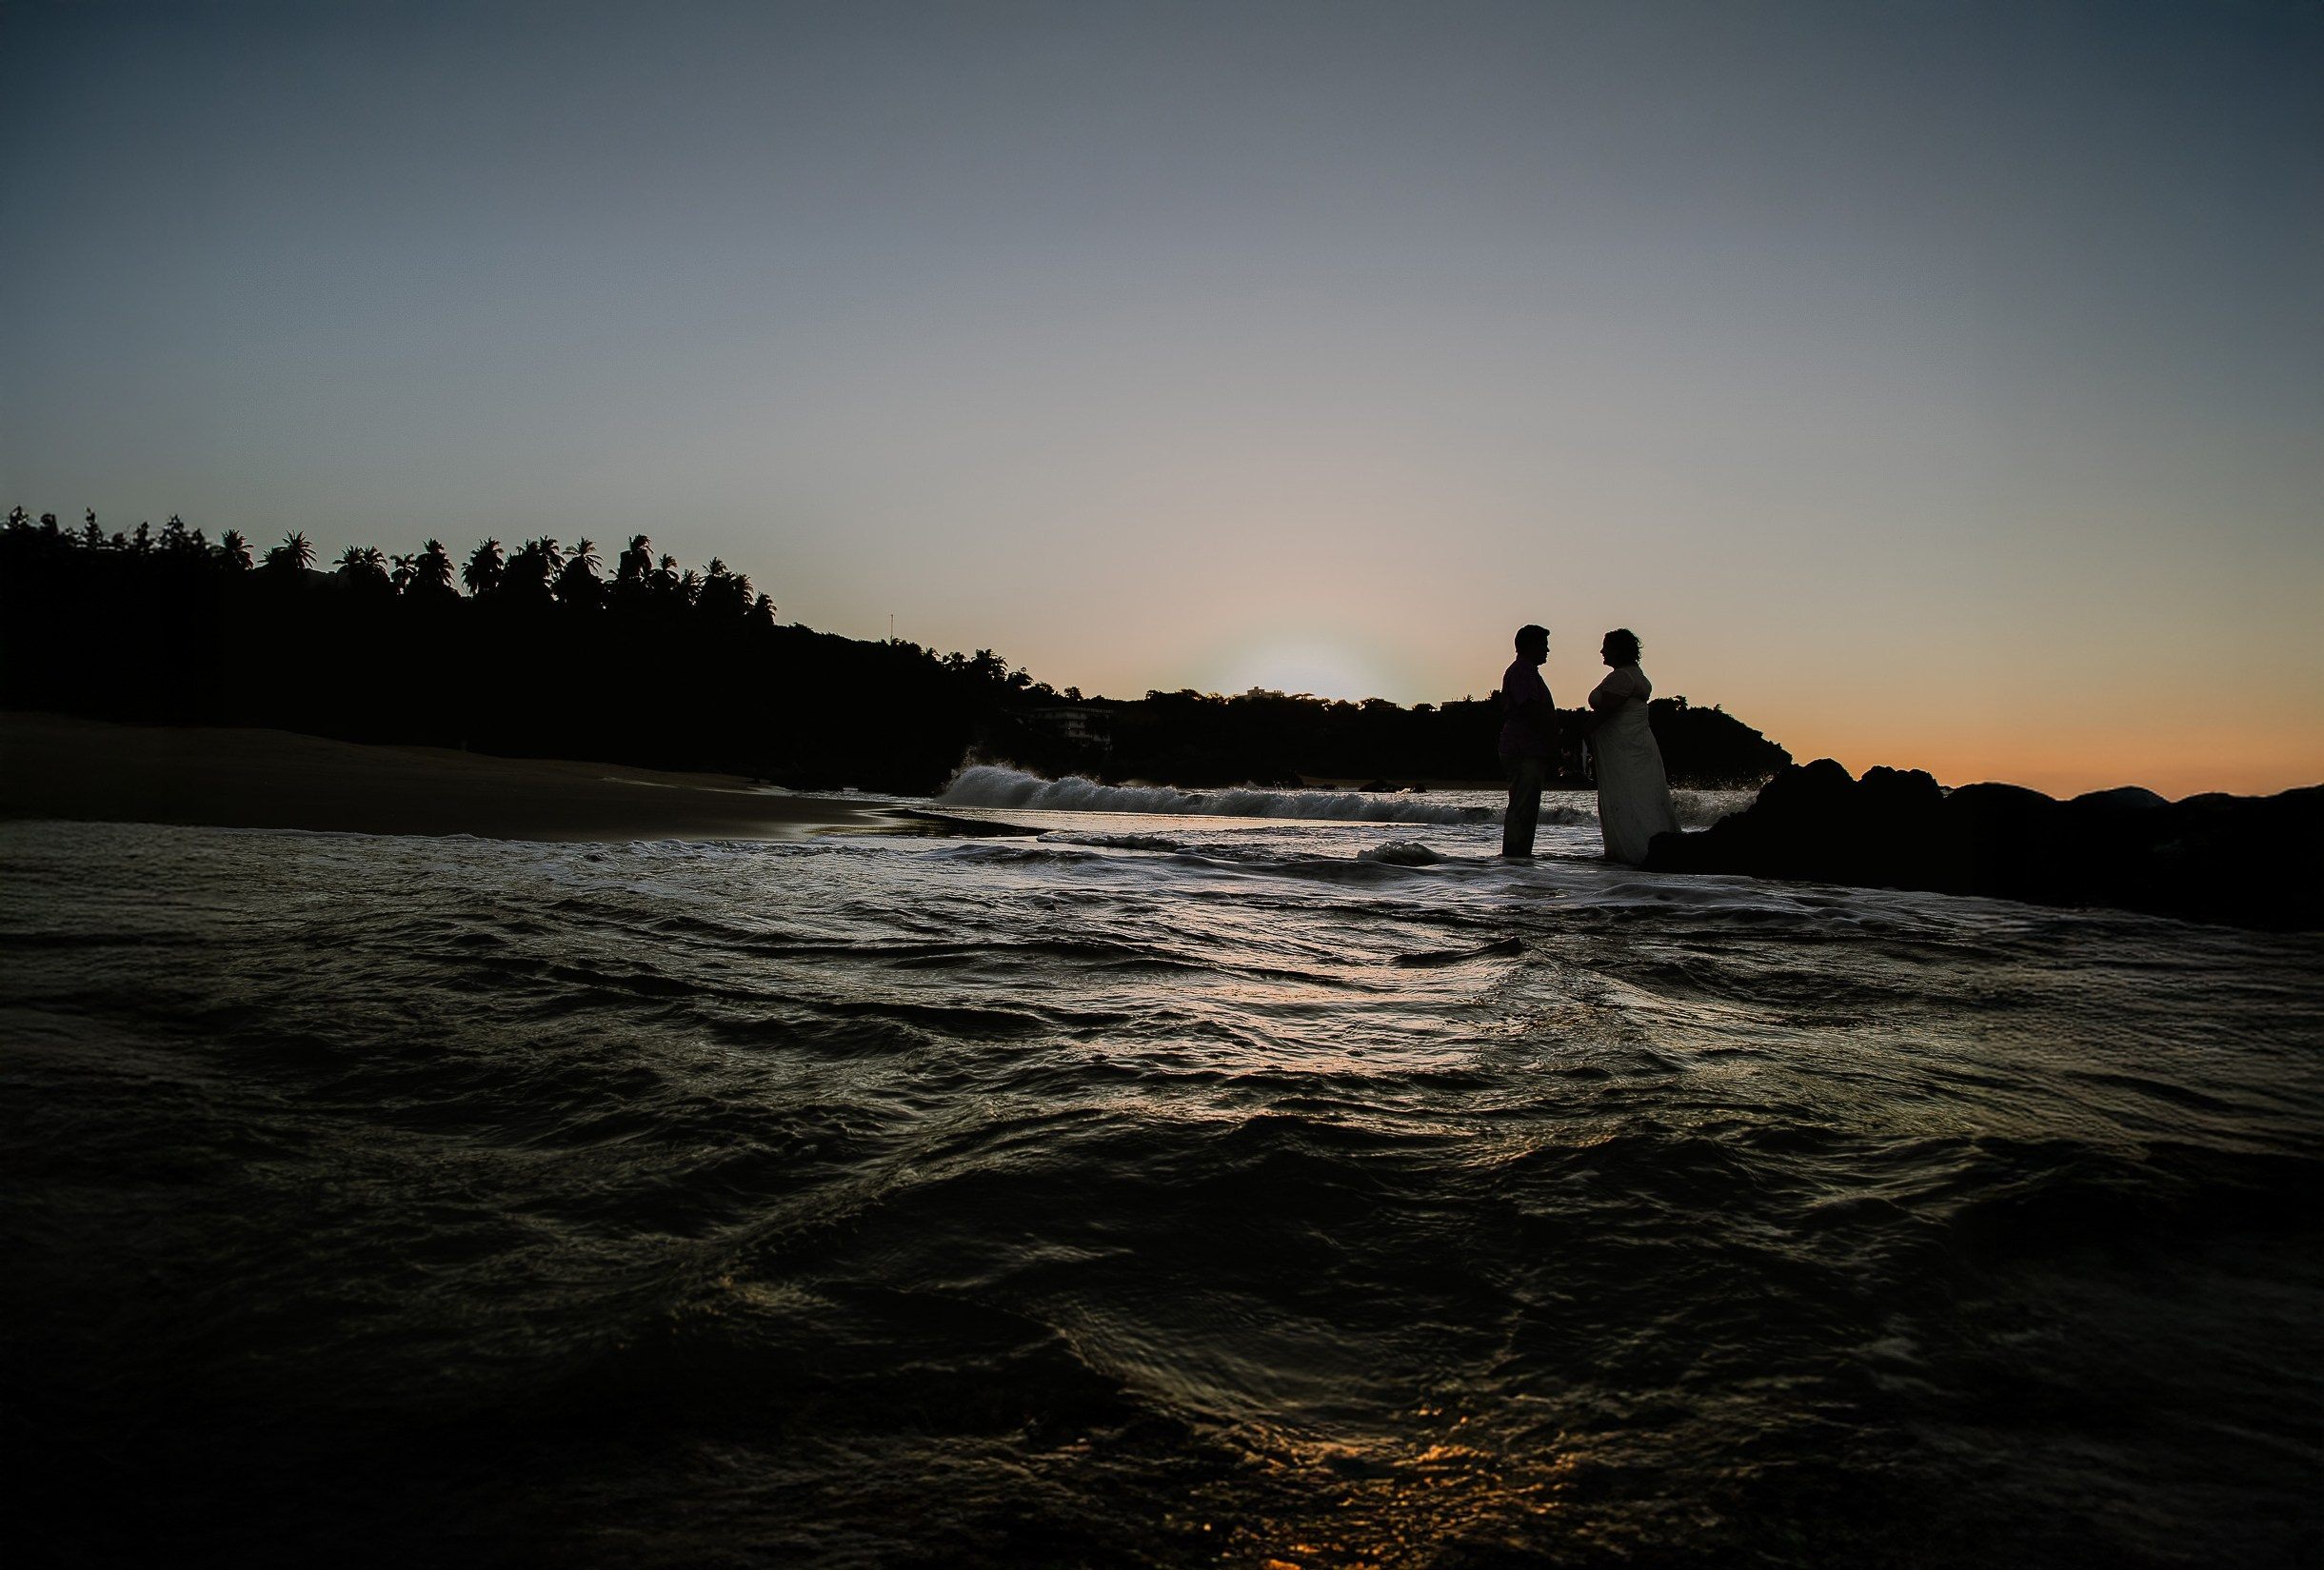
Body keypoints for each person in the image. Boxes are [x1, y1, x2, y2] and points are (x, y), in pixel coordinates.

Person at [1586, 627, 1678, 864]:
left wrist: (1573, 735)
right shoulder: (1634, 673)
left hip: (1625, 750)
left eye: (1606, 646)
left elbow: (1606, 712)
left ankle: (1633, 852)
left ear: (1617, 649)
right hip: (1635, 745)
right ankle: (1645, 848)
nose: (1602, 651)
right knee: (1640, 796)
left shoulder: (1621, 677)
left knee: (1628, 795)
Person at [1498, 624, 1556, 858]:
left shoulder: (1527, 671)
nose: (1547, 650)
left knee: (1525, 806)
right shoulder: (1521, 672)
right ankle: (1516, 858)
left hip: (1527, 747)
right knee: (1523, 807)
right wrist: (1553, 737)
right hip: (1524, 748)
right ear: (1529, 646)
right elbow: (1531, 709)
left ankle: (1518, 857)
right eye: (1543, 645)